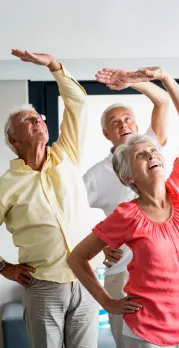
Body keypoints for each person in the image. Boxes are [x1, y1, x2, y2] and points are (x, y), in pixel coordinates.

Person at [68, 66, 179, 348]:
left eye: (154, 151)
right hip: (150, 332)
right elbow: (76, 257)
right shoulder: (126, 214)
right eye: (142, 154)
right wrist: (106, 301)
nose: (153, 154)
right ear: (128, 176)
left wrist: (164, 77)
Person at [0, 49, 98, 348]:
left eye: (39, 117)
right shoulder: (7, 184)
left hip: (87, 279)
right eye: (28, 120)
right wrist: (4, 267)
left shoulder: (66, 154)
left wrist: (54, 66)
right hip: (42, 285)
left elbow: (78, 102)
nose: (38, 121)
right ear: (13, 139)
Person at [83, 68, 170, 348]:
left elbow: (163, 101)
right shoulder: (96, 175)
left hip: (159, 265)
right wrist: (99, 245)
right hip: (121, 273)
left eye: (127, 118)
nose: (123, 125)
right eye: (115, 122)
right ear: (106, 133)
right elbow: (68, 214)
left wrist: (134, 82)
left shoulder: (150, 147)